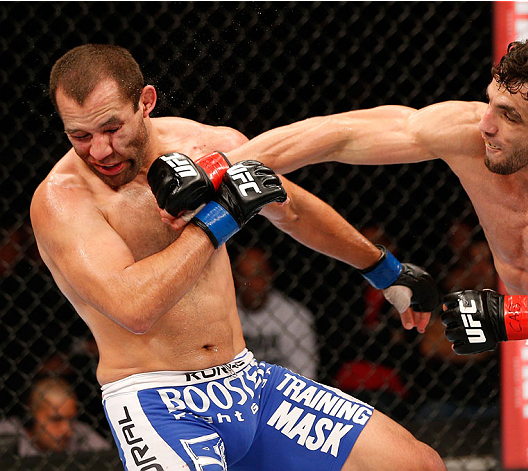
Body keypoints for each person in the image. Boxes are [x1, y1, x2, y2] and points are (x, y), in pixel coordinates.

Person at [218, 33, 528, 471]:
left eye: (510, 116)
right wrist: (216, 170)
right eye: (490, 102)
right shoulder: (470, 134)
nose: (486, 123)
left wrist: (510, 316)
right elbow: (340, 134)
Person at [30, 44, 445, 470]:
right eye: (79, 136)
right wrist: (222, 216)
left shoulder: (210, 147)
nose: (99, 150)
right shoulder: (63, 200)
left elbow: (293, 210)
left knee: (417, 464)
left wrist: (385, 269)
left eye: (112, 128)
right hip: (156, 401)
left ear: (146, 103)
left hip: (247, 382)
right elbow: (134, 307)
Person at [233, 245, 319, 379]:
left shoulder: (295, 315)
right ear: (235, 279)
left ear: (270, 276)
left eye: (258, 276)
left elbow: (305, 371)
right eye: (244, 277)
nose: (251, 284)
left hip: (281, 390)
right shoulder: (223, 315)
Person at [0, 376, 112, 457]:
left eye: (71, 420)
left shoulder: (81, 434)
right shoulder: (6, 432)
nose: (67, 430)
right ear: (30, 416)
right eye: (56, 419)